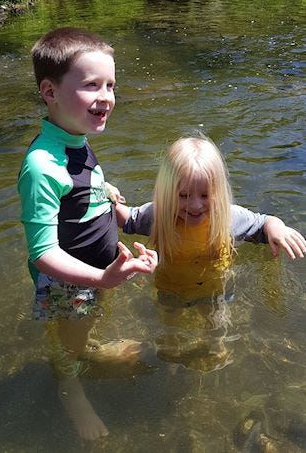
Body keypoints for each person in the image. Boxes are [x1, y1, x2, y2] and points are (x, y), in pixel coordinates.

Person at [18, 27, 157, 441]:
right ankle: (69, 387)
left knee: (85, 323)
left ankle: (87, 350)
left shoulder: (75, 136)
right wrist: (100, 278)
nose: (107, 96)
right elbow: (42, 251)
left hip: (95, 273)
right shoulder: (42, 167)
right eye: (92, 85)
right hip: (69, 282)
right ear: (50, 91)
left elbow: (83, 177)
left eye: (111, 85)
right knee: (71, 336)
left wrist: (105, 190)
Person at [112, 134, 306, 370]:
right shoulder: (158, 215)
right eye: (183, 195)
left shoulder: (228, 218)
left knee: (216, 324)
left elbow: (263, 222)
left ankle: (216, 348)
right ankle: (170, 354)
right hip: (170, 288)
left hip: (214, 291)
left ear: (219, 193)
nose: (195, 205)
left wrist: (278, 229)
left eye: (205, 195)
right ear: (166, 192)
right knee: (168, 324)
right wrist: (103, 199)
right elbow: (126, 219)